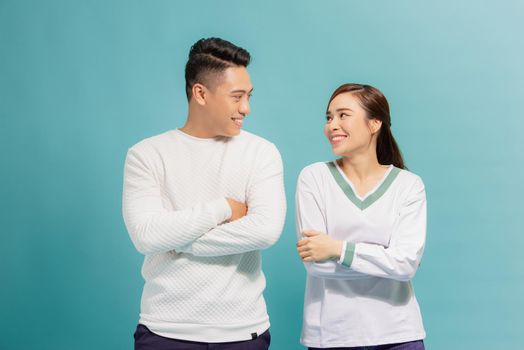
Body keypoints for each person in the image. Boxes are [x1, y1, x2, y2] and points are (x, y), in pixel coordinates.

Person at [123, 37, 286, 350]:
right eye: (237, 97)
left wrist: (177, 241)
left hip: (243, 332)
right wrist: (223, 208)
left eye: (249, 96)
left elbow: (265, 230)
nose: (246, 108)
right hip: (165, 332)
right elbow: (145, 236)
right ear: (200, 93)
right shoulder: (146, 155)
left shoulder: (261, 153)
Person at [295, 83, 426, 349]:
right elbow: (316, 265)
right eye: (329, 117)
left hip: (398, 335)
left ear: (374, 123)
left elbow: (406, 264)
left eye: (343, 115)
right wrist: (385, 260)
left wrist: (336, 248)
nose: (332, 125)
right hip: (331, 337)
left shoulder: (408, 185)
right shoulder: (314, 178)